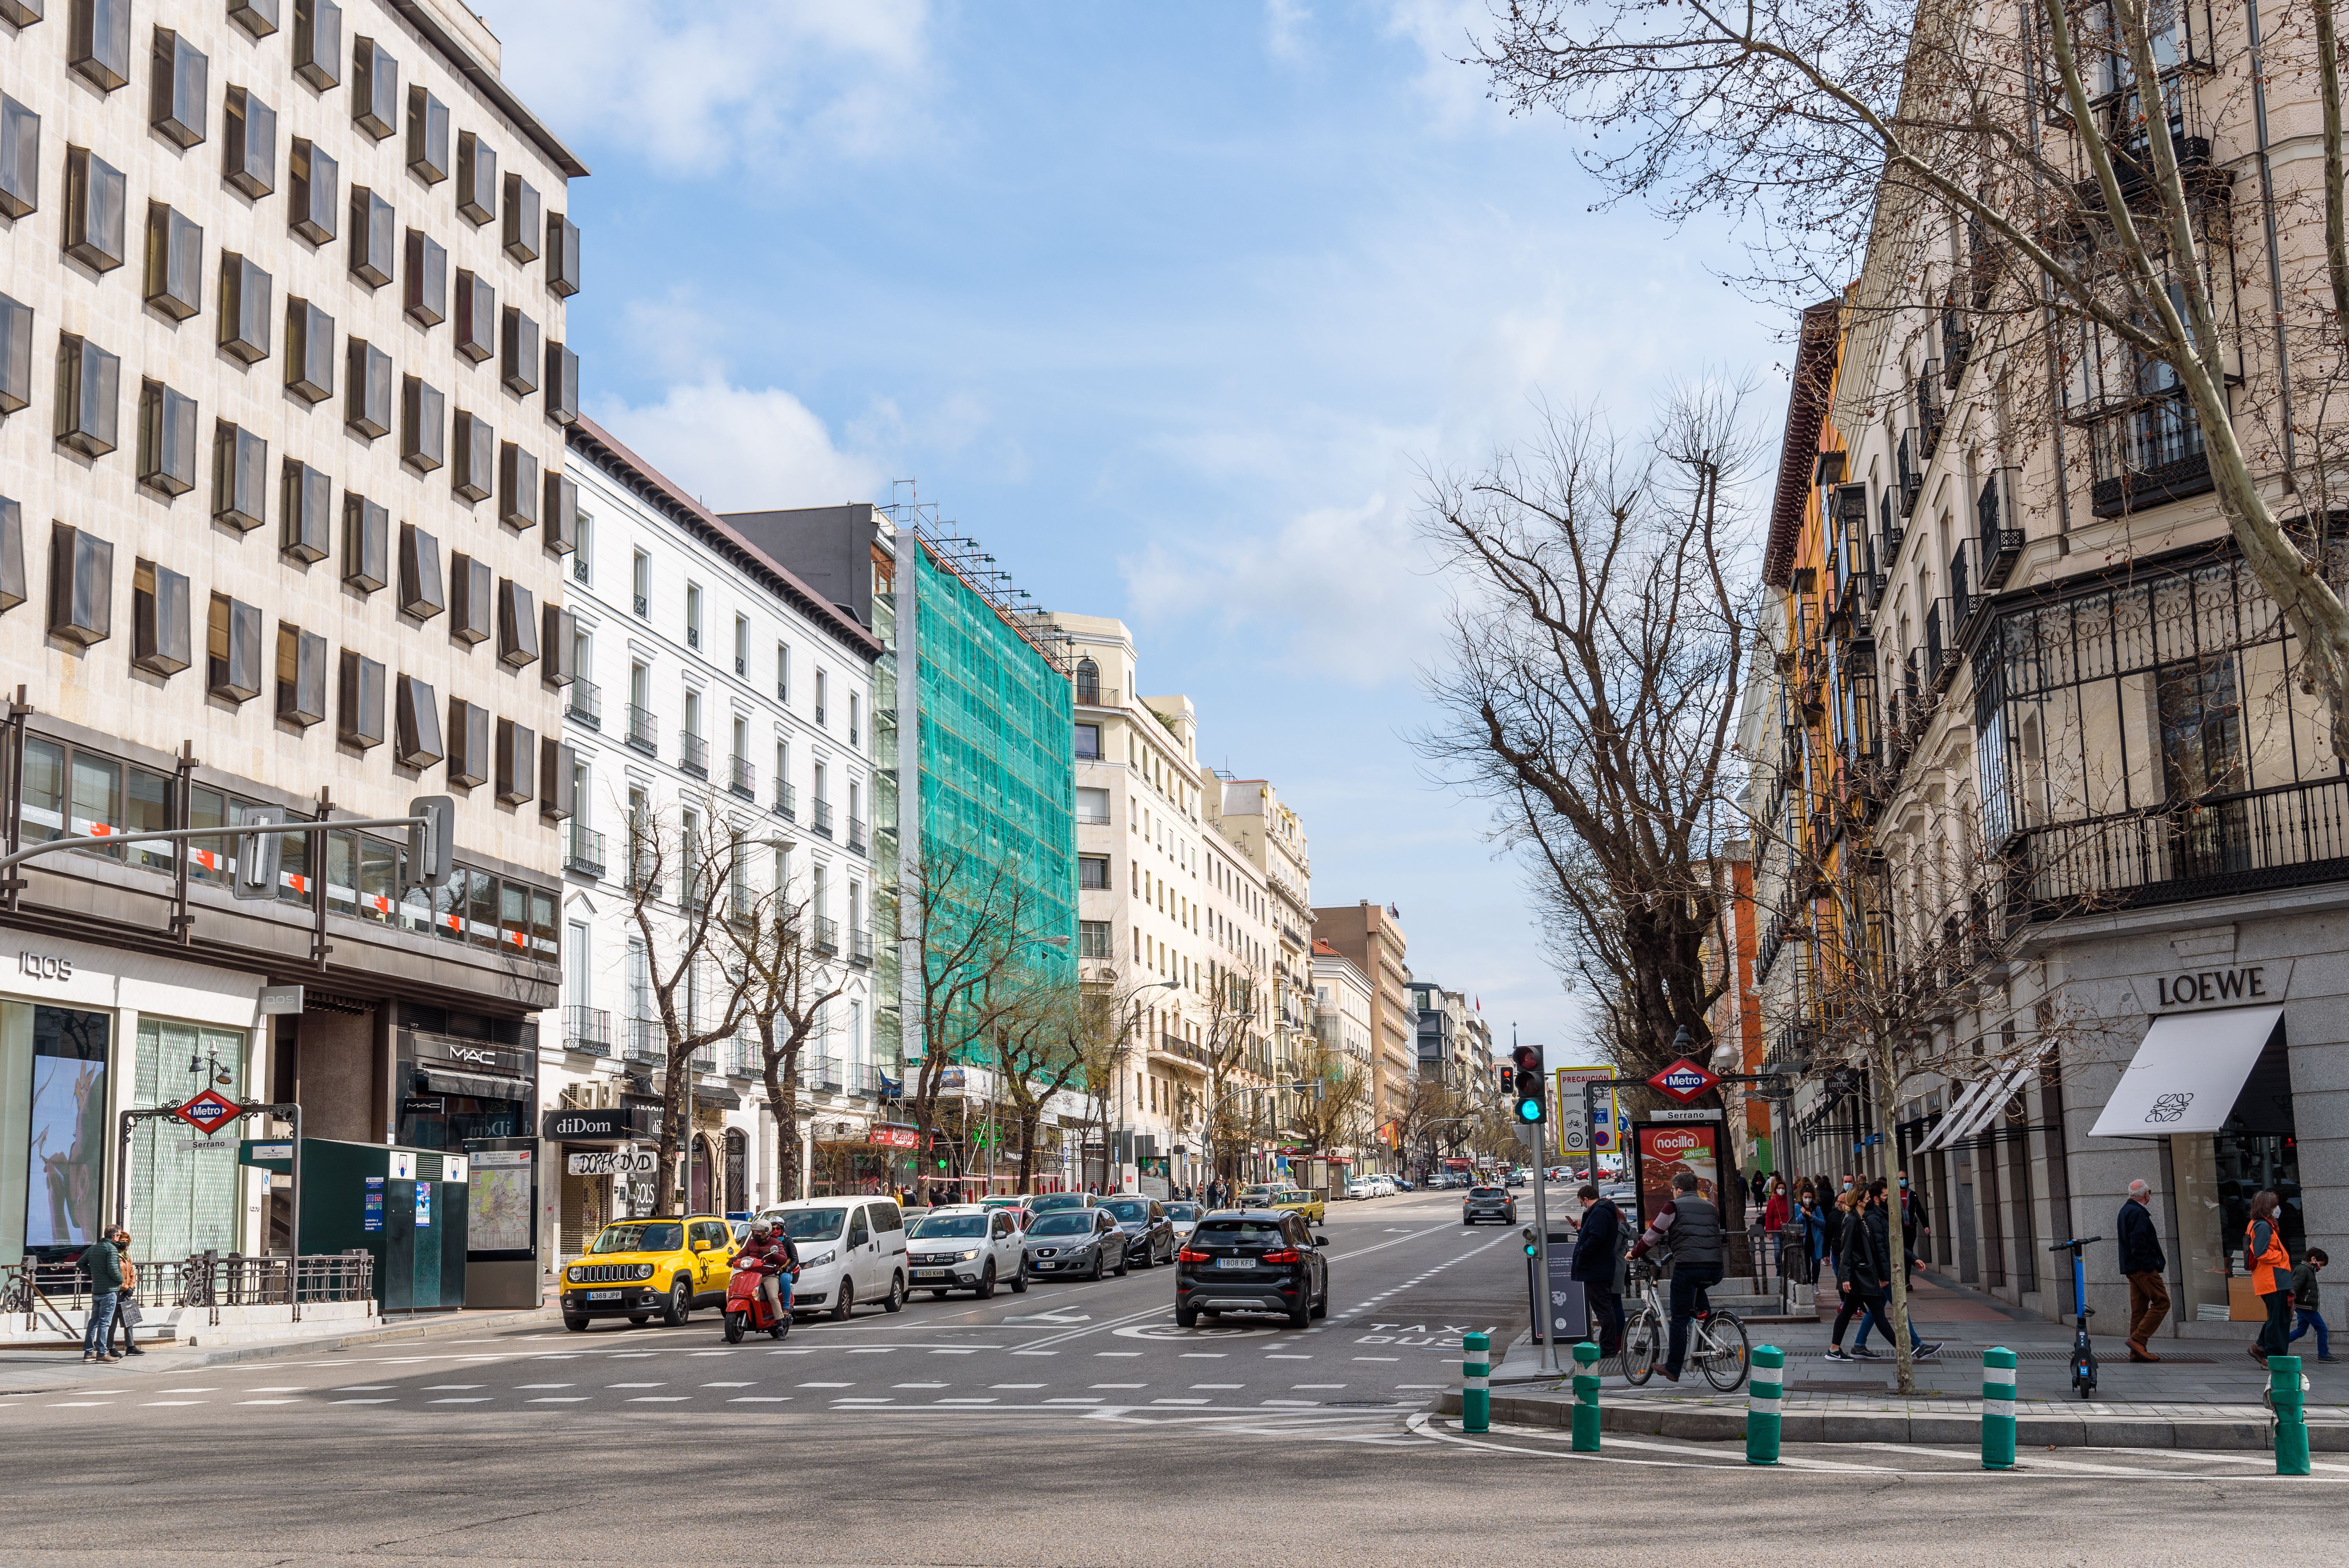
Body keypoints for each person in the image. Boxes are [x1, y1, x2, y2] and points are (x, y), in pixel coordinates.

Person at [1627, 1171, 1723, 1383]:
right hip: (1715, 1268)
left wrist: (1634, 1253)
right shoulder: (1710, 1207)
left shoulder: (1673, 1206)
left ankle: (1673, 1367)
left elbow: (1653, 1235)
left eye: (1673, 1190)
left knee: (1679, 1318)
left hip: (1689, 1266)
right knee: (1699, 1300)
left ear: (1679, 1190)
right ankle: (1705, 1337)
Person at [2116, 1178, 2169, 1362]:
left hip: (2132, 1267)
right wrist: (2149, 1265)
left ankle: (2136, 1352)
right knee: (2162, 1302)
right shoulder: (2138, 1213)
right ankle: (2138, 1341)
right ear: (2146, 1194)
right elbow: (2138, 1243)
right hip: (2142, 1268)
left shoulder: (2126, 1210)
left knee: (2139, 1310)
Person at [1570, 1183, 1625, 1356]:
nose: (1582, 1206)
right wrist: (1582, 1231)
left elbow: (1597, 1238)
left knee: (1603, 1310)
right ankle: (1608, 1346)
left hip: (1597, 1269)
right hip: (1600, 1267)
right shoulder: (1602, 1212)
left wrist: (1582, 1251)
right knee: (1605, 1308)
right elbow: (1595, 1235)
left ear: (1586, 1199)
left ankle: (1608, 1348)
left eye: (1582, 1203)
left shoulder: (1599, 1213)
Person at [2246, 1189, 2294, 1366]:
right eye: (2275, 1205)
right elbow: (2260, 1253)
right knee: (2279, 1319)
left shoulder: (2261, 1224)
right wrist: (2281, 1255)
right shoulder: (2263, 1226)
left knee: (2278, 1317)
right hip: (2273, 1279)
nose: (2278, 1208)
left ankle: (2262, 1348)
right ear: (2268, 1207)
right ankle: (2273, 1356)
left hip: (2273, 1279)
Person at [79, 1226, 127, 1364]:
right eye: (119, 1236)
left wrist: (94, 1274)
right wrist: (120, 1280)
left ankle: (89, 1352)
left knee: (94, 1321)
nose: (119, 1238)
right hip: (109, 1290)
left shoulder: (95, 1248)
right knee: (105, 1323)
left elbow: (81, 1263)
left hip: (97, 1291)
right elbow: (113, 1269)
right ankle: (102, 1353)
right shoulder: (110, 1249)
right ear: (115, 1237)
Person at [2288, 1249, 2334, 1363]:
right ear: (2313, 1259)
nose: (2321, 1268)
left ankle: (2278, 1343)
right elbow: (2295, 1287)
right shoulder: (2303, 1270)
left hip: (2304, 1306)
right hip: (2306, 1306)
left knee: (2301, 1331)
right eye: (2321, 1265)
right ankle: (2324, 1355)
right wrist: (2291, 1303)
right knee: (2322, 1329)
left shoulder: (2308, 1270)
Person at [1896, 1171, 1929, 1283]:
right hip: (1899, 1230)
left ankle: (1907, 1280)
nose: (1904, 1180)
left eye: (1905, 1178)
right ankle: (1904, 1281)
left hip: (1910, 1229)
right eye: (1901, 1178)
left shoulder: (1913, 1194)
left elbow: (1920, 1211)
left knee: (1909, 1252)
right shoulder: (1894, 1195)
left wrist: (1926, 1226)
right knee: (1904, 1253)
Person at [1761, 1178, 1790, 1283]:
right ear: (1776, 1190)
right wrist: (1769, 1232)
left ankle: (1788, 1270)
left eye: (1783, 1188)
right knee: (1778, 1251)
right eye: (1780, 1188)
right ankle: (1779, 1270)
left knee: (1788, 1251)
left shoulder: (1789, 1201)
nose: (1781, 1190)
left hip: (1787, 1231)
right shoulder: (1772, 1203)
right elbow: (1769, 1217)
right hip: (1776, 1231)